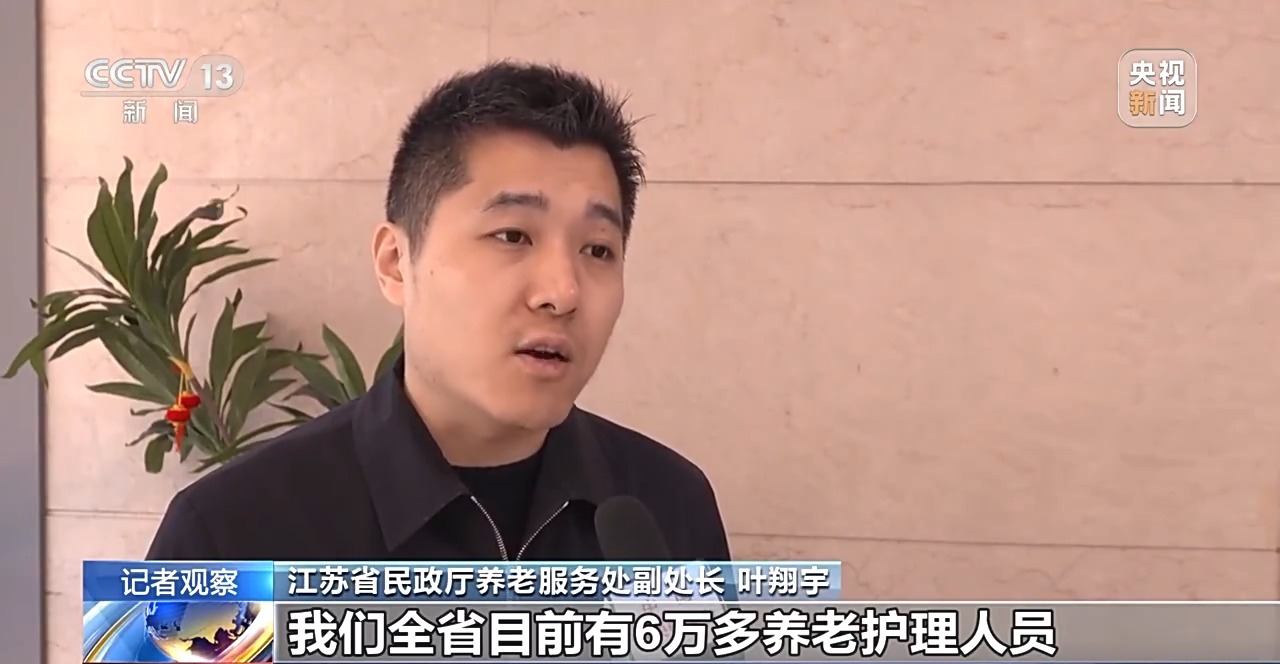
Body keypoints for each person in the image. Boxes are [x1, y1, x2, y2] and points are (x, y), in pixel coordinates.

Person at [147, 62, 731, 563]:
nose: (563, 292)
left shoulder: (669, 505)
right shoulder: (229, 531)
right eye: (512, 235)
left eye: (598, 249)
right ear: (396, 263)